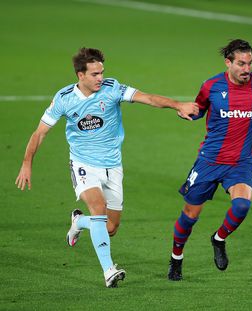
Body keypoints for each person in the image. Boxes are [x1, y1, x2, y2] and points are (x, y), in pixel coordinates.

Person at [15, 47, 199, 287]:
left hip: (112, 165)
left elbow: (147, 98)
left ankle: (79, 222)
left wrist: (177, 105)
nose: (100, 78)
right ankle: (109, 270)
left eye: (101, 72)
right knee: (98, 208)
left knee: (110, 228)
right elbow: (40, 133)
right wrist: (26, 163)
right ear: (80, 75)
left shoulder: (112, 89)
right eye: (94, 74)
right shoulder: (64, 99)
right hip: (83, 163)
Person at [167, 39, 252, 281]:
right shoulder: (212, 86)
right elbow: (199, 109)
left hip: (241, 163)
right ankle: (176, 258)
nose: (247, 69)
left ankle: (218, 239)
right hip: (209, 161)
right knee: (189, 215)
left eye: (250, 63)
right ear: (228, 62)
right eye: (241, 64)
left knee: (242, 206)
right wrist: (188, 113)